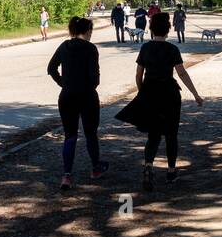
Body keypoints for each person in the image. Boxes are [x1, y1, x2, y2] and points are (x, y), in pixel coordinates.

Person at [115, 12, 204, 191]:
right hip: (169, 94)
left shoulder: (145, 48)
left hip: (150, 93)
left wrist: (142, 93)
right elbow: (182, 73)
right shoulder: (172, 49)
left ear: (150, 29)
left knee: (153, 135)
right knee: (171, 134)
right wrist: (195, 94)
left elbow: (138, 75)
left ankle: (148, 166)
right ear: (168, 29)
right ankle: (171, 172)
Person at [47, 17, 106, 191]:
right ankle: (95, 169)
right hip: (87, 96)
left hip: (66, 97)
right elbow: (95, 78)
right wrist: (88, 86)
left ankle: (67, 175)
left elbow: (51, 68)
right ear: (88, 31)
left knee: (70, 135)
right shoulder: (90, 48)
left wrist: (63, 83)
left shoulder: (64, 46)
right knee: (90, 134)